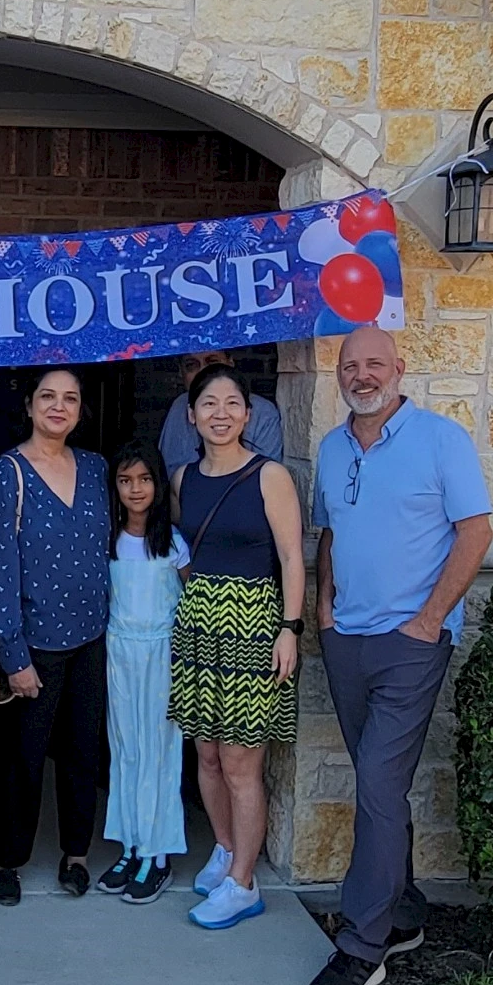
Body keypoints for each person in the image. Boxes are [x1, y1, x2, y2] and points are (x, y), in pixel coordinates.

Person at [305, 327, 492, 985]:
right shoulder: (330, 449)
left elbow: (476, 532)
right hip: (346, 640)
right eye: (351, 366)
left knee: (380, 786)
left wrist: (427, 619)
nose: (361, 375)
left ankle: (362, 944)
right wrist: (324, 608)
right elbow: (331, 532)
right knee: (377, 783)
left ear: (399, 369)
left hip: (411, 645)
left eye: (374, 363)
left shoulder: (441, 440)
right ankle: (405, 909)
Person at [169, 363, 305, 931]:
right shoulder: (181, 478)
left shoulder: (269, 475)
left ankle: (244, 884)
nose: (220, 414)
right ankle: (225, 850)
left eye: (232, 404)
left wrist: (290, 628)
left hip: (252, 625)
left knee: (240, 762)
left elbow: (294, 557)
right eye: (208, 404)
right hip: (199, 625)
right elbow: (182, 548)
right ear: (192, 414)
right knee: (204, 753)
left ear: (248, 414)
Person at [0, 367, 111, 905]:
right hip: (33, 645)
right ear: (30, 405)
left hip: (92, 639)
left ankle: (76, 854)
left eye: (70, 398)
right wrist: (12, 655)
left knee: (83, 755)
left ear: (81, 410)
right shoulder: (4, 474)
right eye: (48, 397)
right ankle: (7, 861)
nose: (59, 406)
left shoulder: (98, 469)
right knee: (20, 761)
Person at [95, 440, 192, 906]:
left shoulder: (173, 543)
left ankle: (158, 852)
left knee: (159, 751)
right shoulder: (107, 539)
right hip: (120, 654)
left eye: (145, 479)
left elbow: (192, 600)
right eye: (125, 480)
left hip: (162, 655)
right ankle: (131, 845)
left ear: (158, 483)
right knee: (126, 750)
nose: (135, 490)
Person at [158, 348, 283, 478]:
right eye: (191, 365)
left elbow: (266, 478)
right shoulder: (179, 406)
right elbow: (167, 473)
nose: (203, 371)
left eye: (212, 362)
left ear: (230, 363)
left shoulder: (263, 412)